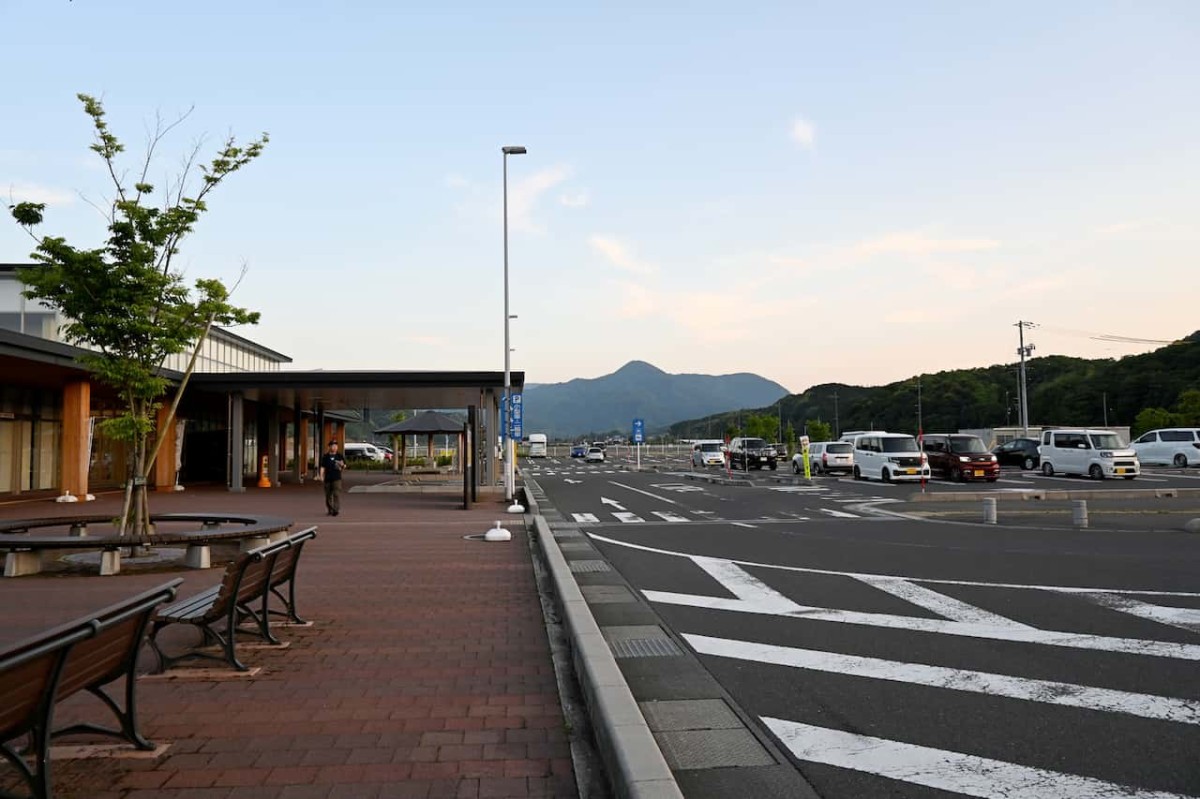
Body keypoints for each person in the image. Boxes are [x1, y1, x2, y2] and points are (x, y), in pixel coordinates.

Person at [318, 440, 346, 516]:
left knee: (336, 494)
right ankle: (330, 509)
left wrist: (342, 465)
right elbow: (322, 467)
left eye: (336, 446)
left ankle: (336, 510)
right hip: (327, 478)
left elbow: (344, 466)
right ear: (329, 447)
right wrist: (321, 476)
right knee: (328, 495)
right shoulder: (325, 457)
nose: (334, 447)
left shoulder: (339, 456)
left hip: (337, 478)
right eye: (333, 446)